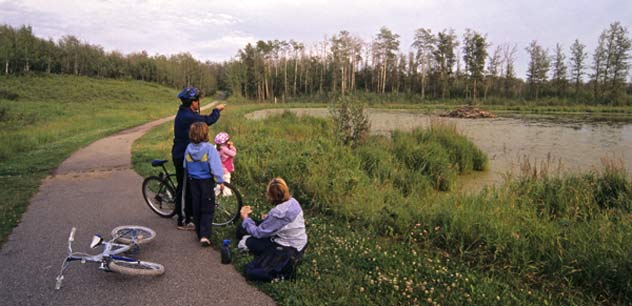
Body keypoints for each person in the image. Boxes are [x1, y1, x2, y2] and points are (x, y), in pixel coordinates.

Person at [171, 87, 224, 230]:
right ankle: (183, 220)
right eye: (197, 100)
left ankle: (192, 213)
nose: (198, 103)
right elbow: (207, 120)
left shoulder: (186, 112)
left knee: (189, 186)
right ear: (192, 102)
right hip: (183, 155)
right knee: (184, 187)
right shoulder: (188, 116)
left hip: (188, 153)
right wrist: (217, 110)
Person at [238, 177, 307, 256]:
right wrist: (269, 218)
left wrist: (245, 217)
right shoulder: (294, 202)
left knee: (248, 239)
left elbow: (258, 233)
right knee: (248, 226)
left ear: (271, 196)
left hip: (289, 248)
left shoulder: (277, 213)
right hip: (301, 242)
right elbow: (284, 222)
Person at [183, 122, 225, 246]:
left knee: (196, 206)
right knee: (207, 208)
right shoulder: (209, 149)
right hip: (206, 181)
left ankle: (199, 232)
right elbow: (216, 167)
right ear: (205, 133)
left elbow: (185, 165)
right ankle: (205, 236)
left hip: (193, 181)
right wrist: (220, 180)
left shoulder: (188, 148)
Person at [214, 132, 237, 196]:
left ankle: (215, 193)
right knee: (226, 181)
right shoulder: (224, 149)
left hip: (219, 168)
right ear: (226, 141)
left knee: (220, 182)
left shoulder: (216, 147)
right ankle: (227, 194)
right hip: (225, 169)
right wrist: (232, 146)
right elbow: (233, 153)